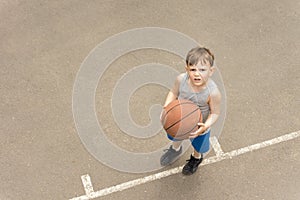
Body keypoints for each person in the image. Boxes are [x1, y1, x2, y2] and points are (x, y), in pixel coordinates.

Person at [160, 47, 221, 175]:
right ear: (187, 69)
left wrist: (206, 125)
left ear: (211, 71)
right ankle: (175, 149)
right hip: (179, 119)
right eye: (193, 69)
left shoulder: (213, 92)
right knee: (176, 135)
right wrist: (166, 107)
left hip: (199, 126)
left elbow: (215, 113)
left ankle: (196, 158)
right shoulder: (181, 80)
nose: (197, 74)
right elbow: (173, 92)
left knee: (198, 146)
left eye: (202, 70)